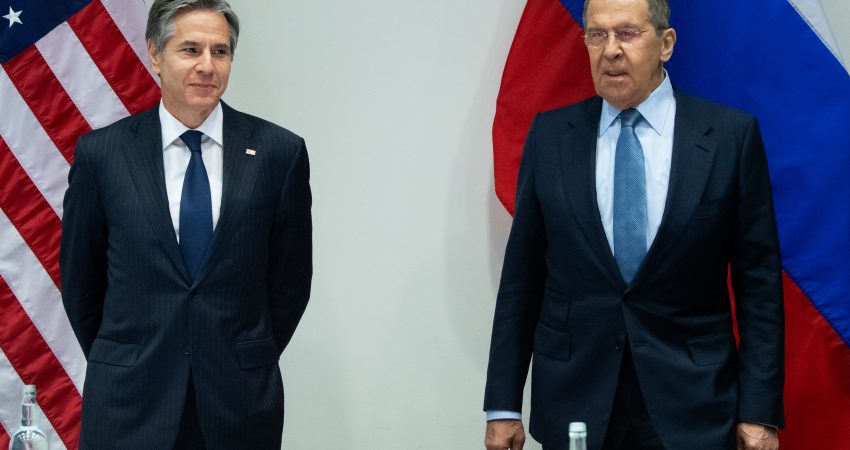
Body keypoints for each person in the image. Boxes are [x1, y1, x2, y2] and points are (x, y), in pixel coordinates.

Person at [483, 0, 784, 449]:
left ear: (666, 43)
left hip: (694, 405)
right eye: (597, 35)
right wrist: (503, 405)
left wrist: (759, 411)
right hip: (576, 399)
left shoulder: (729, 138)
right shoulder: (550, 137)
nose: (610, 50)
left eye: (626, 33)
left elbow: (759, 287)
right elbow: (521, 281)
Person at [59, 0, 312, 448]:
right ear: (155, 55)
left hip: (238, 404)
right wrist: (127, 357)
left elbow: (290, 282)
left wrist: (241, 354)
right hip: (129, 404)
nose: (207, 66)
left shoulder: (278, 153)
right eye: (190, 49)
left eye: (220, 51)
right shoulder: (102, 155)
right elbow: (81, 281)